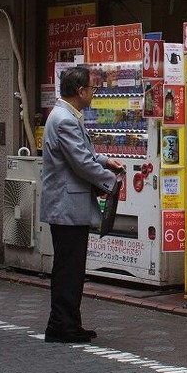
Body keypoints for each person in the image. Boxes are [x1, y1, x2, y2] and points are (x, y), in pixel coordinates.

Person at [40, 65, 124, 344]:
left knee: (71, 267)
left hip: (68, 205)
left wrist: (104, 161)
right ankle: (62, 325)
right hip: (67, 205)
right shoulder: (64, 119)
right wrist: (110, 181)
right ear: (80, 91)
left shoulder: (65, 115)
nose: (93, 93)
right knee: (69, 268)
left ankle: (66, 322)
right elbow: (80, 162)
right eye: (91, 88)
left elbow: (83, 155)